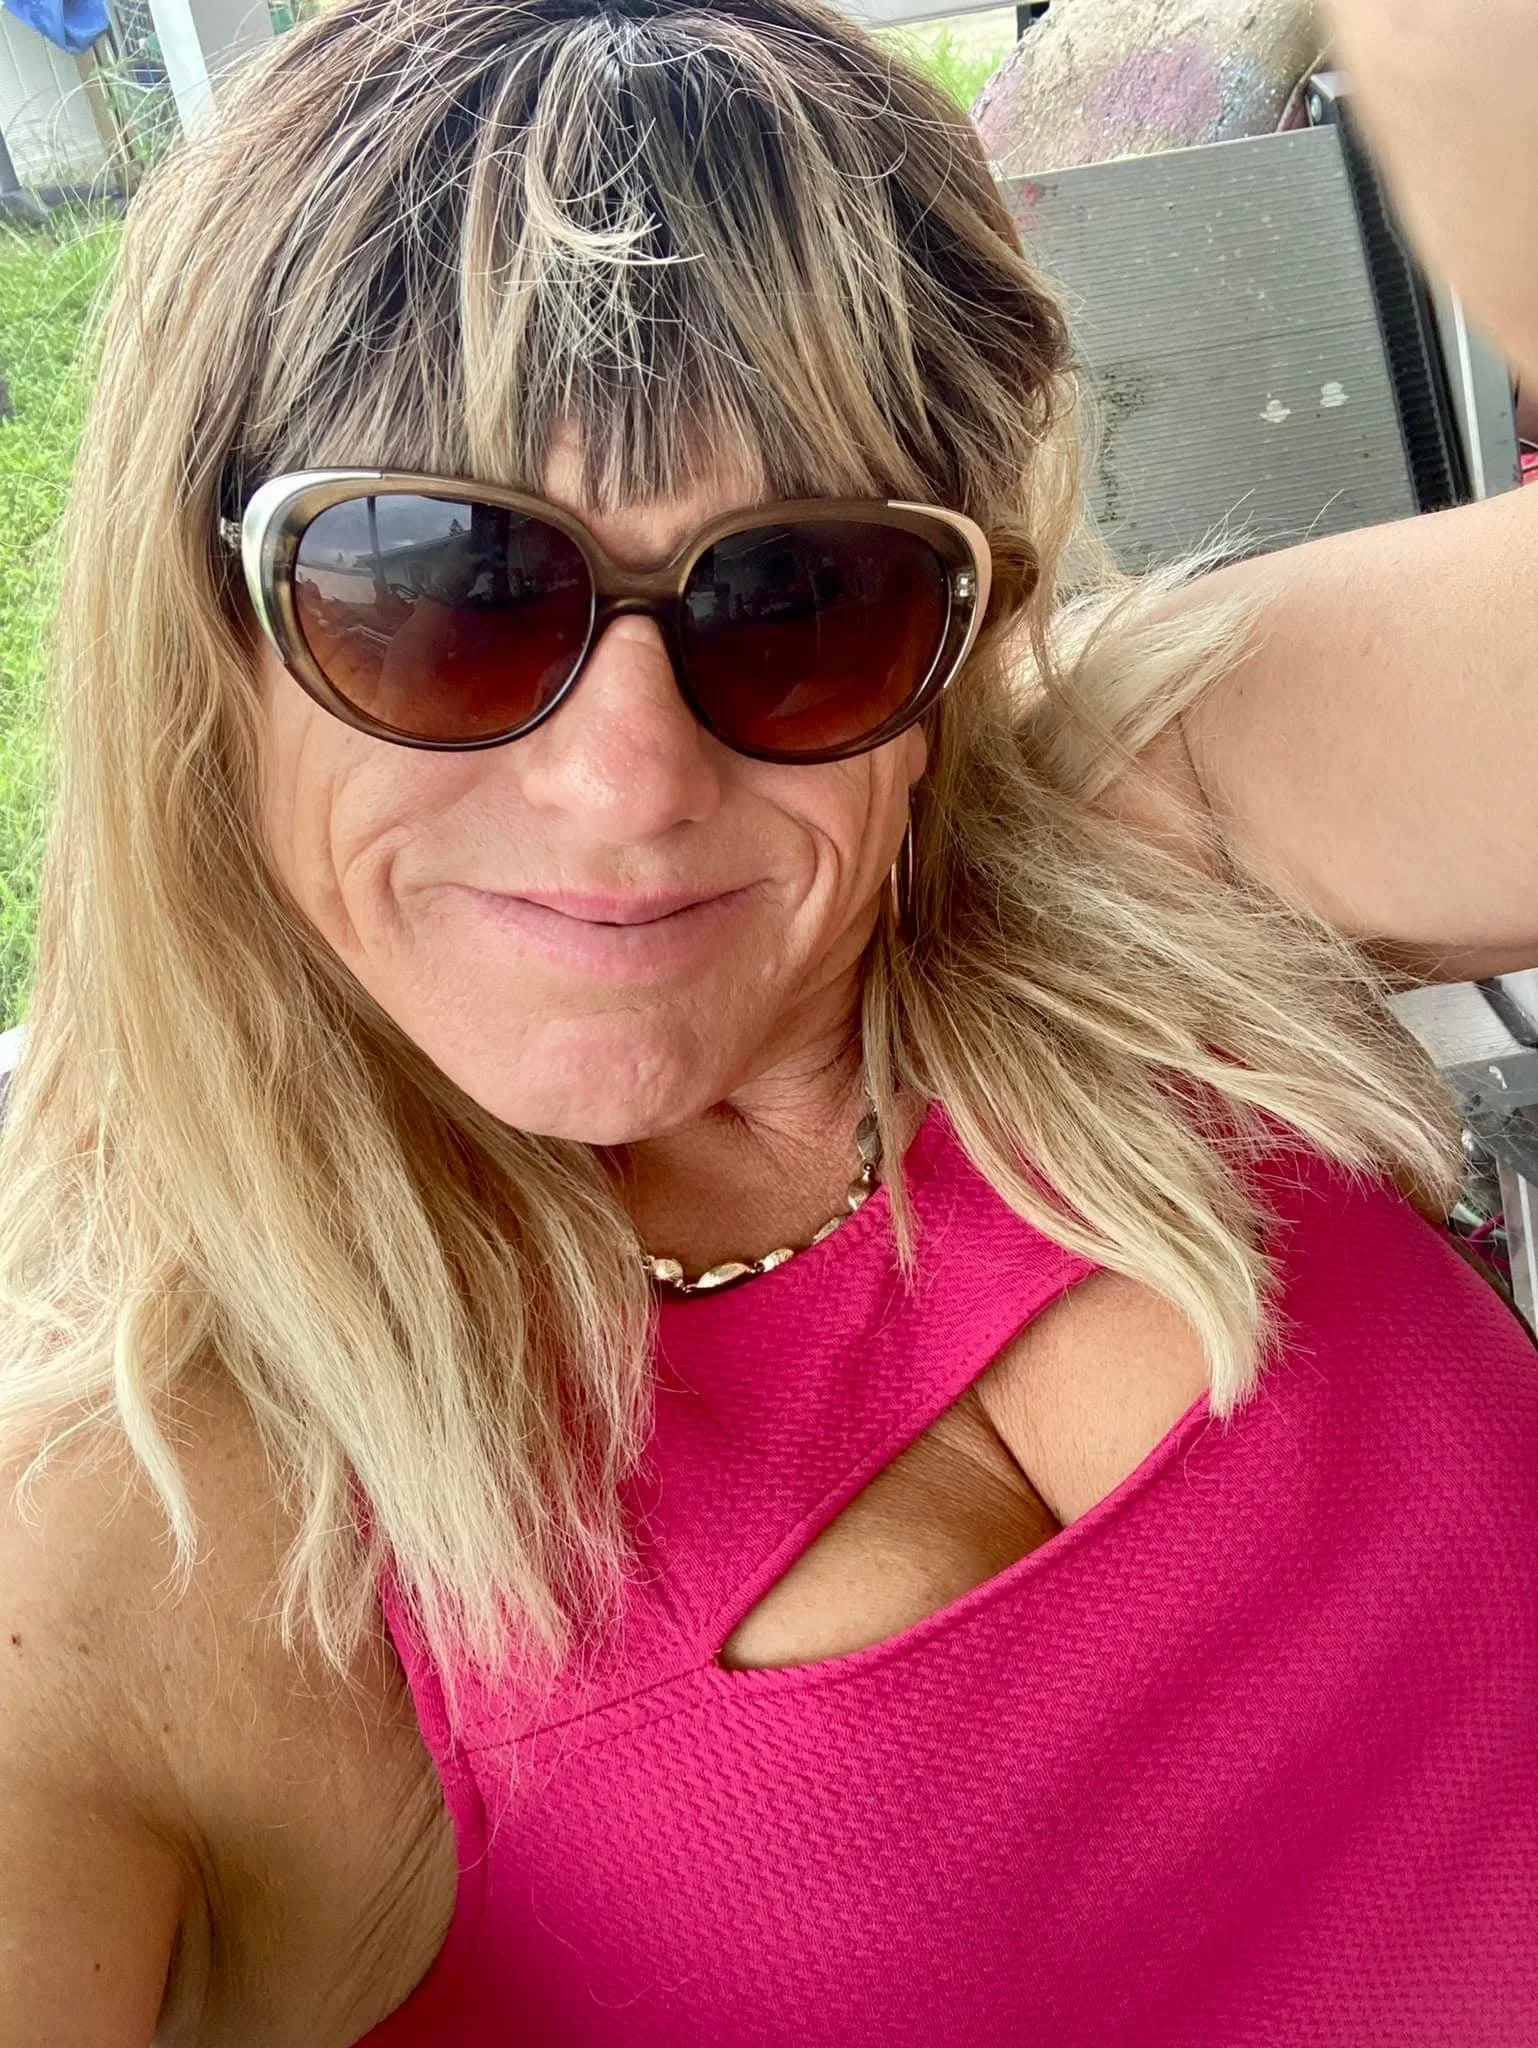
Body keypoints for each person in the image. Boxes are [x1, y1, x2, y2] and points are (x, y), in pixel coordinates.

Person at [0, 0, 1534, 2041]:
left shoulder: (1106, 833)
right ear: (200, 631)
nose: (628, 779)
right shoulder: (162, 1511)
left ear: (958, 615)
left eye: (798, 596)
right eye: (441, 589)